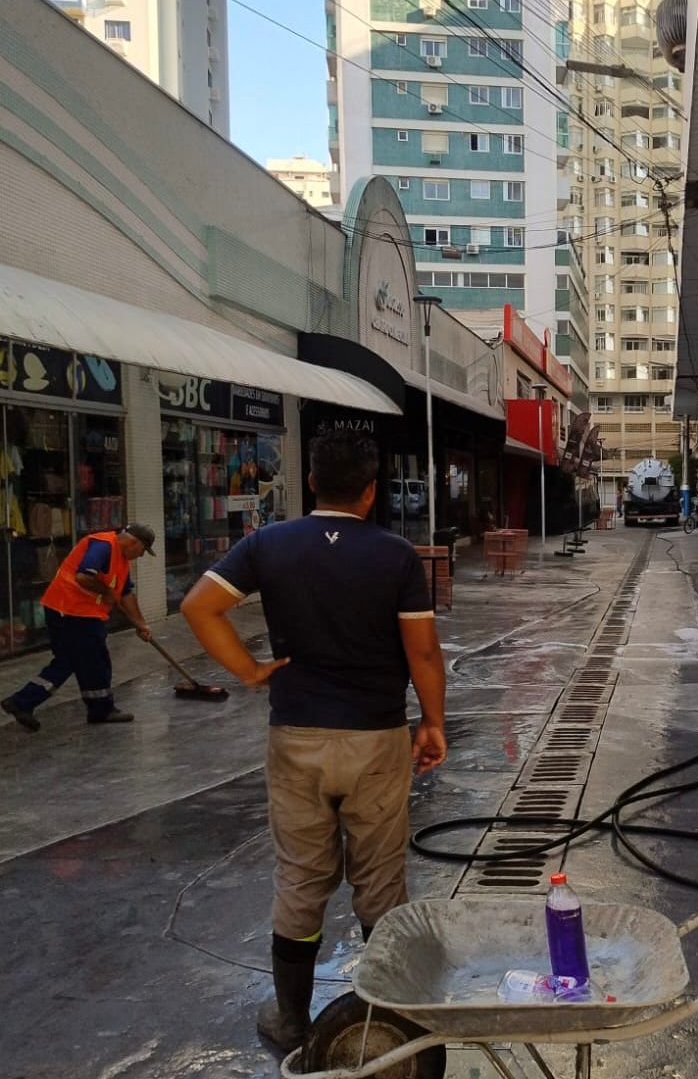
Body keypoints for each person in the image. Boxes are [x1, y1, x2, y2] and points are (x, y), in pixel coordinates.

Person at [181, 432, 447, 1055]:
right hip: (376, 738)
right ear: (371, 491)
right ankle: (388, 1018)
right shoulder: (395, 555)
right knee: (380, 879)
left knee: (301, 878)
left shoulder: (267, 544)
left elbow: (199, 607)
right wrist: (432, 722)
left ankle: (292, 1021)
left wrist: (250, 672)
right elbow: (423, 652)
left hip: (295, 737)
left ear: (310, 484)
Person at [2, 523, 156, 731]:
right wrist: (106, 592)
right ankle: (97, 709)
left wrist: (141, 624)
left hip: (80, 613)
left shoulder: (121, 560)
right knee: (90, 660)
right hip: (70, 611)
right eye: (143, 551)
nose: (141, 556)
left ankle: (24, 702)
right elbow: (83, 576)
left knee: (74, 661)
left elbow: (126, 594)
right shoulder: (103, 546)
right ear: (134, 542)